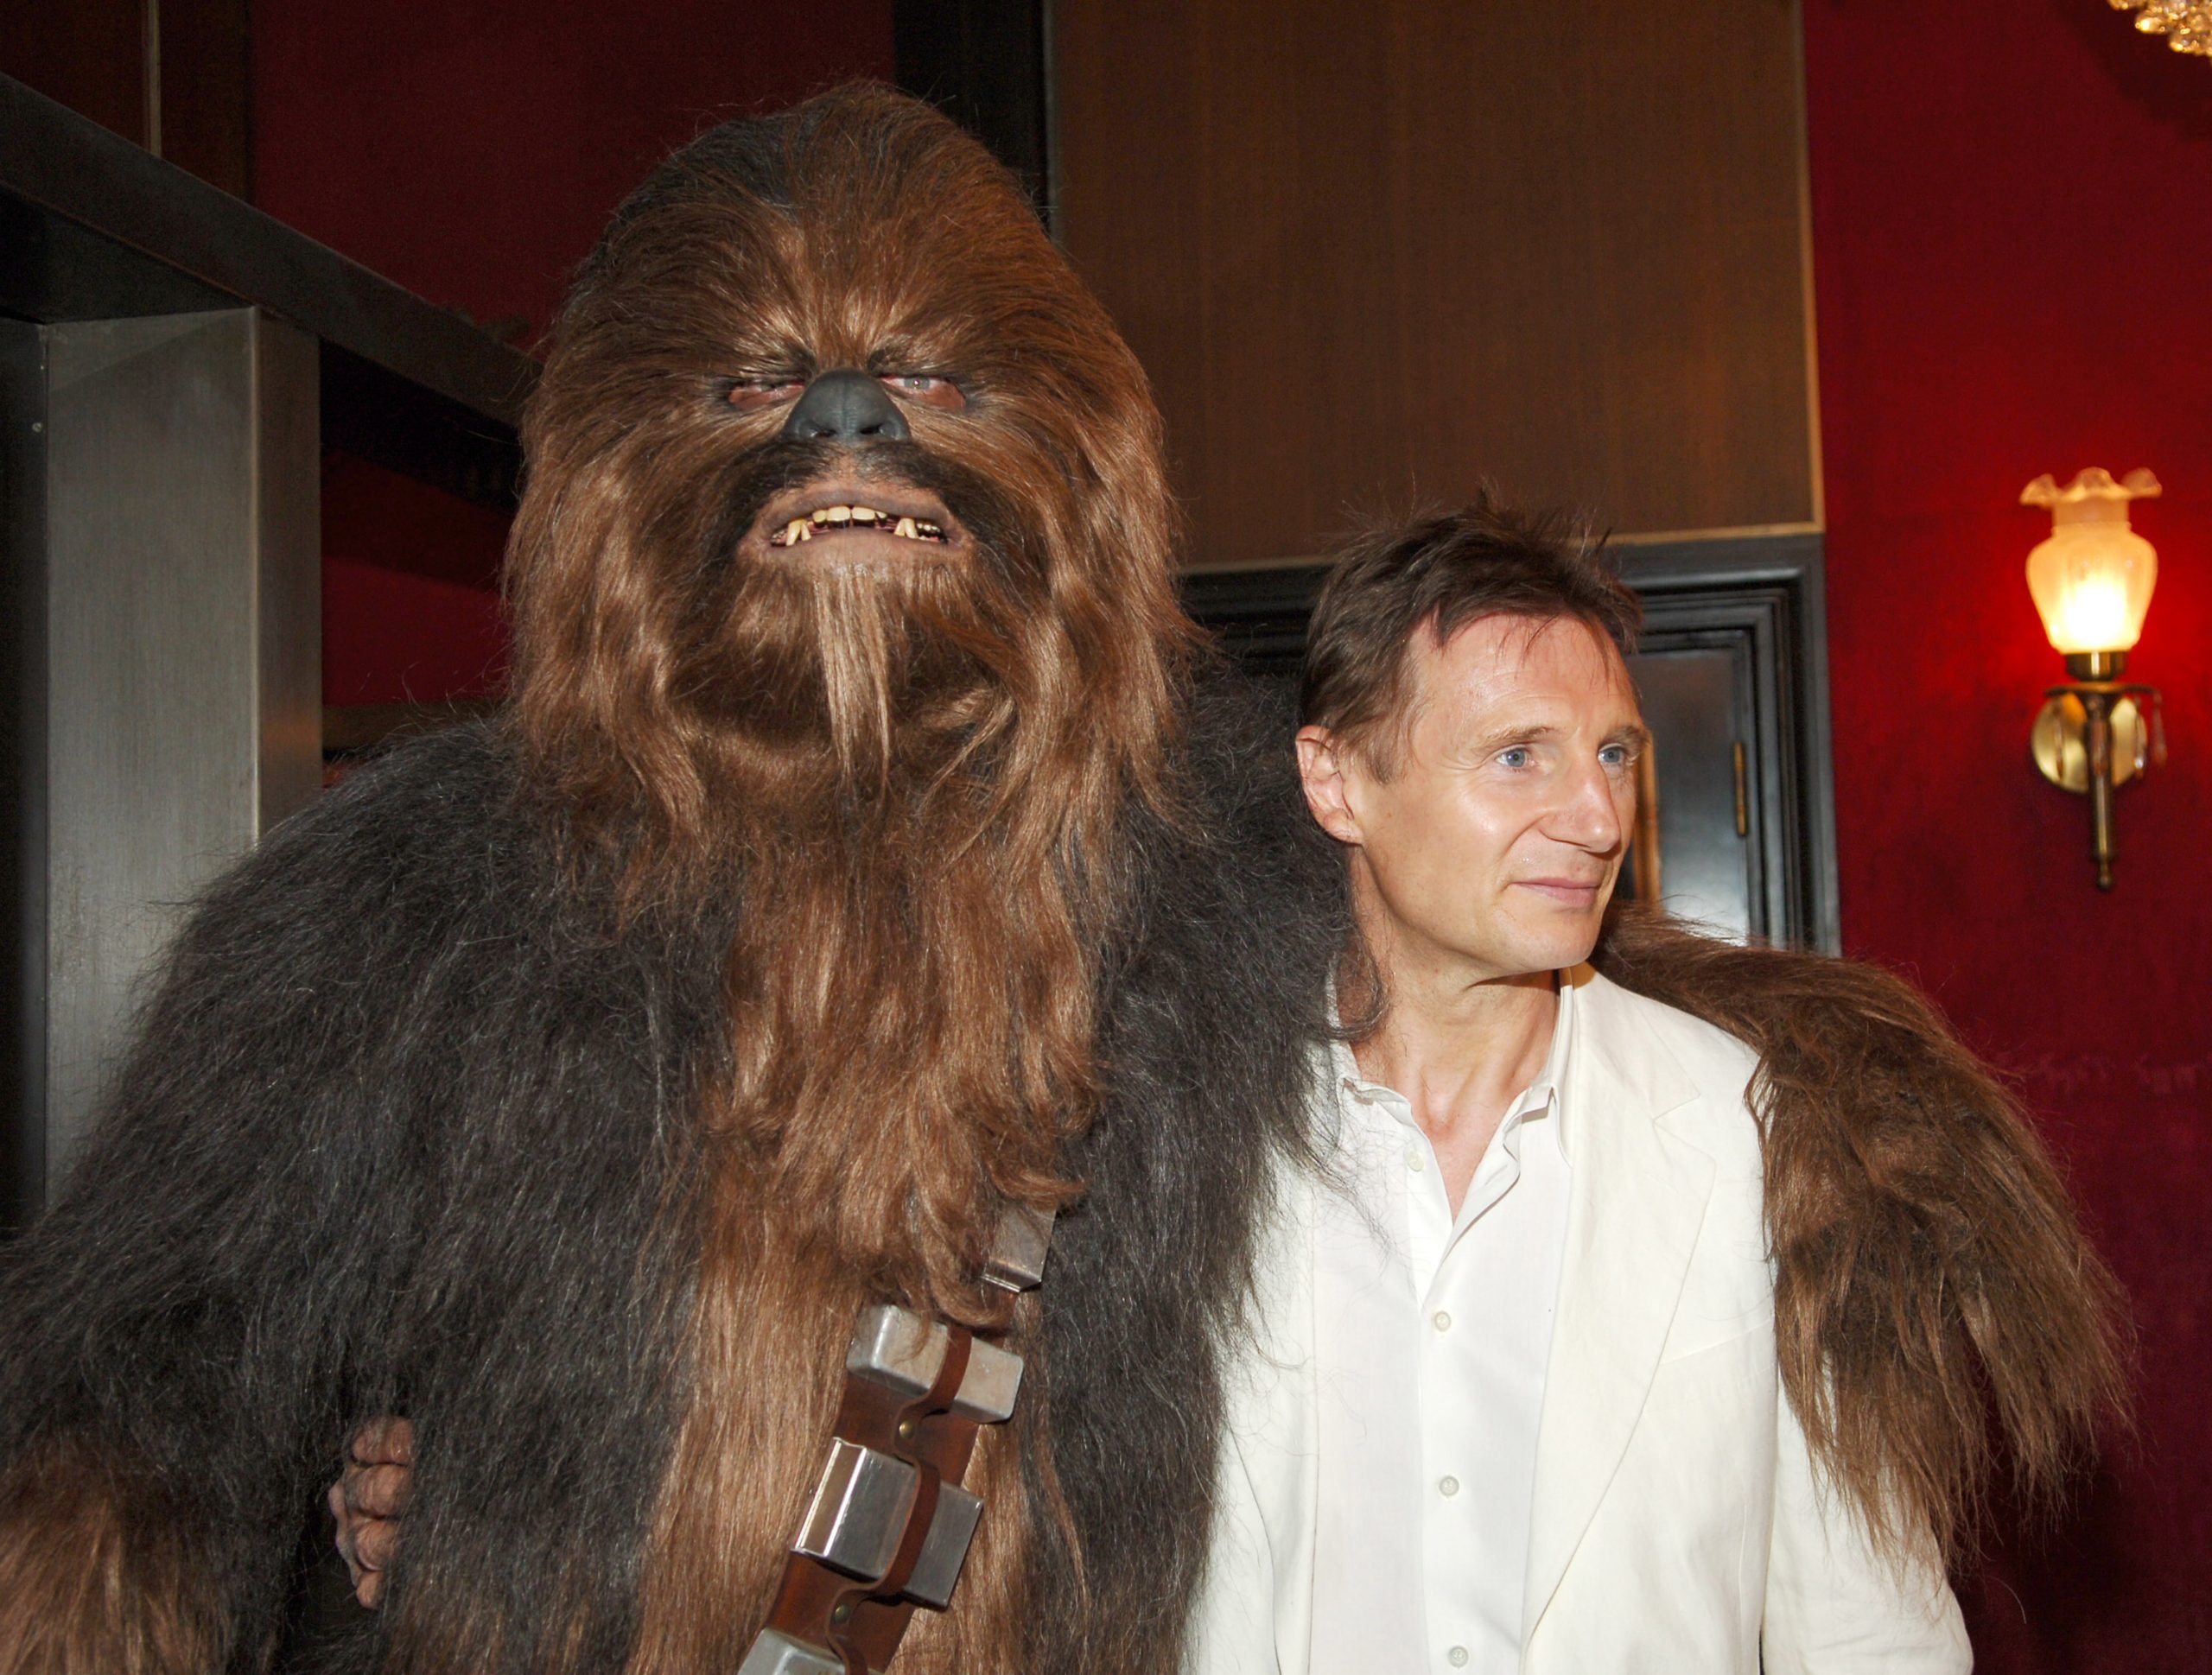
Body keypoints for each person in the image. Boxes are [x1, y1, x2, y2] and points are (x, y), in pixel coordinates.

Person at [3, 88, 2118, 1675]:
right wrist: (348, 1520)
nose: (846, 436)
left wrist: (1848, 1110)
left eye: (928, 385)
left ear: (1073, 473)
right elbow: (119, 1430)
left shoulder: (1198, 840)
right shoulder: (407, 901)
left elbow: (1512, 931)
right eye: (756, 388)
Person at [1188, 507, 1973, 1672]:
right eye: (1519, 756)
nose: (1600, 820)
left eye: (1613, 754)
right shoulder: (1193, 1132)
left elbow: (1869, 1627)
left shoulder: (1757, 1129)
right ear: (1338, 779)